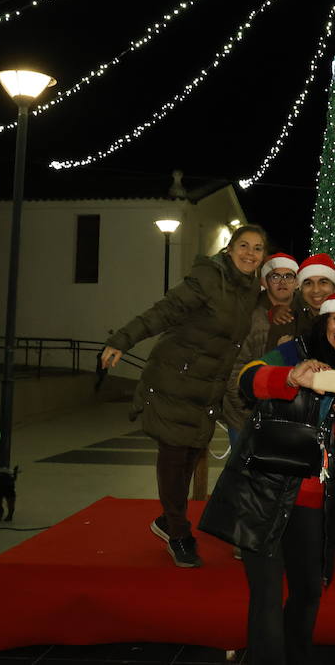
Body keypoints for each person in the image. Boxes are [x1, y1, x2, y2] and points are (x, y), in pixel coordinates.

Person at [200, 291, 335, 665]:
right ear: (324, 321)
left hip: (311, 496)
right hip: (263, 489)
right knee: (266, 594)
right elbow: (247, 379)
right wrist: (291, 376)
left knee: (308, 590)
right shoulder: (295, 351)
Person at [100, 224, 267, 567]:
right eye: (244, 245)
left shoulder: (249, 288)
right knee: (175, 455)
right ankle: (178, 533)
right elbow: (164, 310)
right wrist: (122, 340)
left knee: (190, 454)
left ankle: (168, 520)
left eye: (257, 248)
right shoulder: (209, 278)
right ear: (229, 249)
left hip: (206, 387)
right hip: (174, 377)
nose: (250, 253)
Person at [222, 252, 300, 447]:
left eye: (288, 276)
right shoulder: (249, 316)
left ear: (296, 282)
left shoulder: (304, 315)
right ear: (265, 281)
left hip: (289, 418)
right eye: (275, 276)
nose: (282, 282)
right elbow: (233, 369)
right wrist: (247, 411)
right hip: (246, 416)